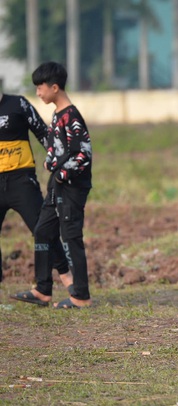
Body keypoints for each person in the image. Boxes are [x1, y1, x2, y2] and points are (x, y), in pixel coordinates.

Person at [13, 62, 93, 309]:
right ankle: (42, 289)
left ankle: (80, 296)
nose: (38, 92)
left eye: (40, 87)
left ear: (55, 87)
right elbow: (57, 149)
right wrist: (51, 163)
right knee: (42, 230)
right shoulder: (58, 114)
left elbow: (84, 154)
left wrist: (61, 174)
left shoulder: (71, 116)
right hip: (55, 187)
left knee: (70, 238)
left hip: (70, 188)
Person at [0, 91, 73, 302]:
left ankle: (68, 281)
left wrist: (60, 165)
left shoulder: (18, 104)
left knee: (43, 230)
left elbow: (45, 134)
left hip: (21, 180)